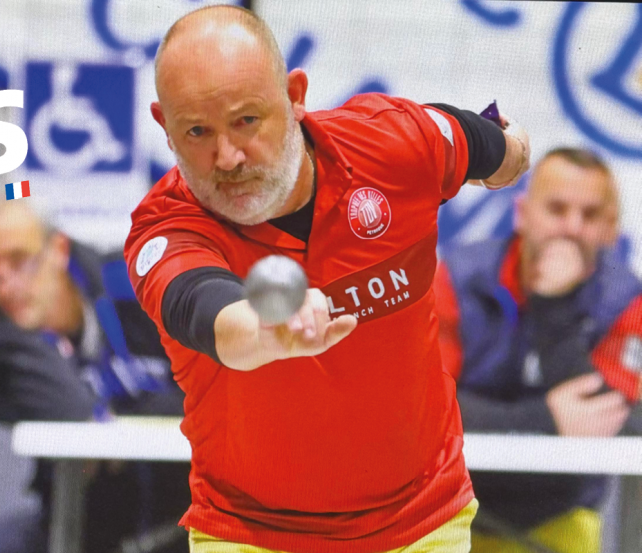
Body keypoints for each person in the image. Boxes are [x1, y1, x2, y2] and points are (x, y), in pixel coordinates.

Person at [124, 5, 530, 553]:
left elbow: (479, 141)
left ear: (294, 95)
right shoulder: (163, 228)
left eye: (247, 120)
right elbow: (208, 309)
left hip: (421, 521)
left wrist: (511, 153)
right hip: (249, 533)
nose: (227, 156)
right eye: (197, 131)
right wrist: (271, 330)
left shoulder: (395, 145)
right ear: (163, 126)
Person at [434, 147, 642, 553]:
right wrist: (545, 416)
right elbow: (426, 407)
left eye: (590, 215)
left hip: (561, 513)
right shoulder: (456, 278)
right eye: (557, 209)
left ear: (611, 229)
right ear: (522, 213)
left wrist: (553, 310)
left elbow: (610, 423)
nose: (571, 228)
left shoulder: (626, 300)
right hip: (451, 506)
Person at [0, 200, 189, 553]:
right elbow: (74, 414)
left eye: (20, 261)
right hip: (81, 532)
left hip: (196, 521)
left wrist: (124, 415)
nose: (6, 286)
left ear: (59, 250)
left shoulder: (137, 286)